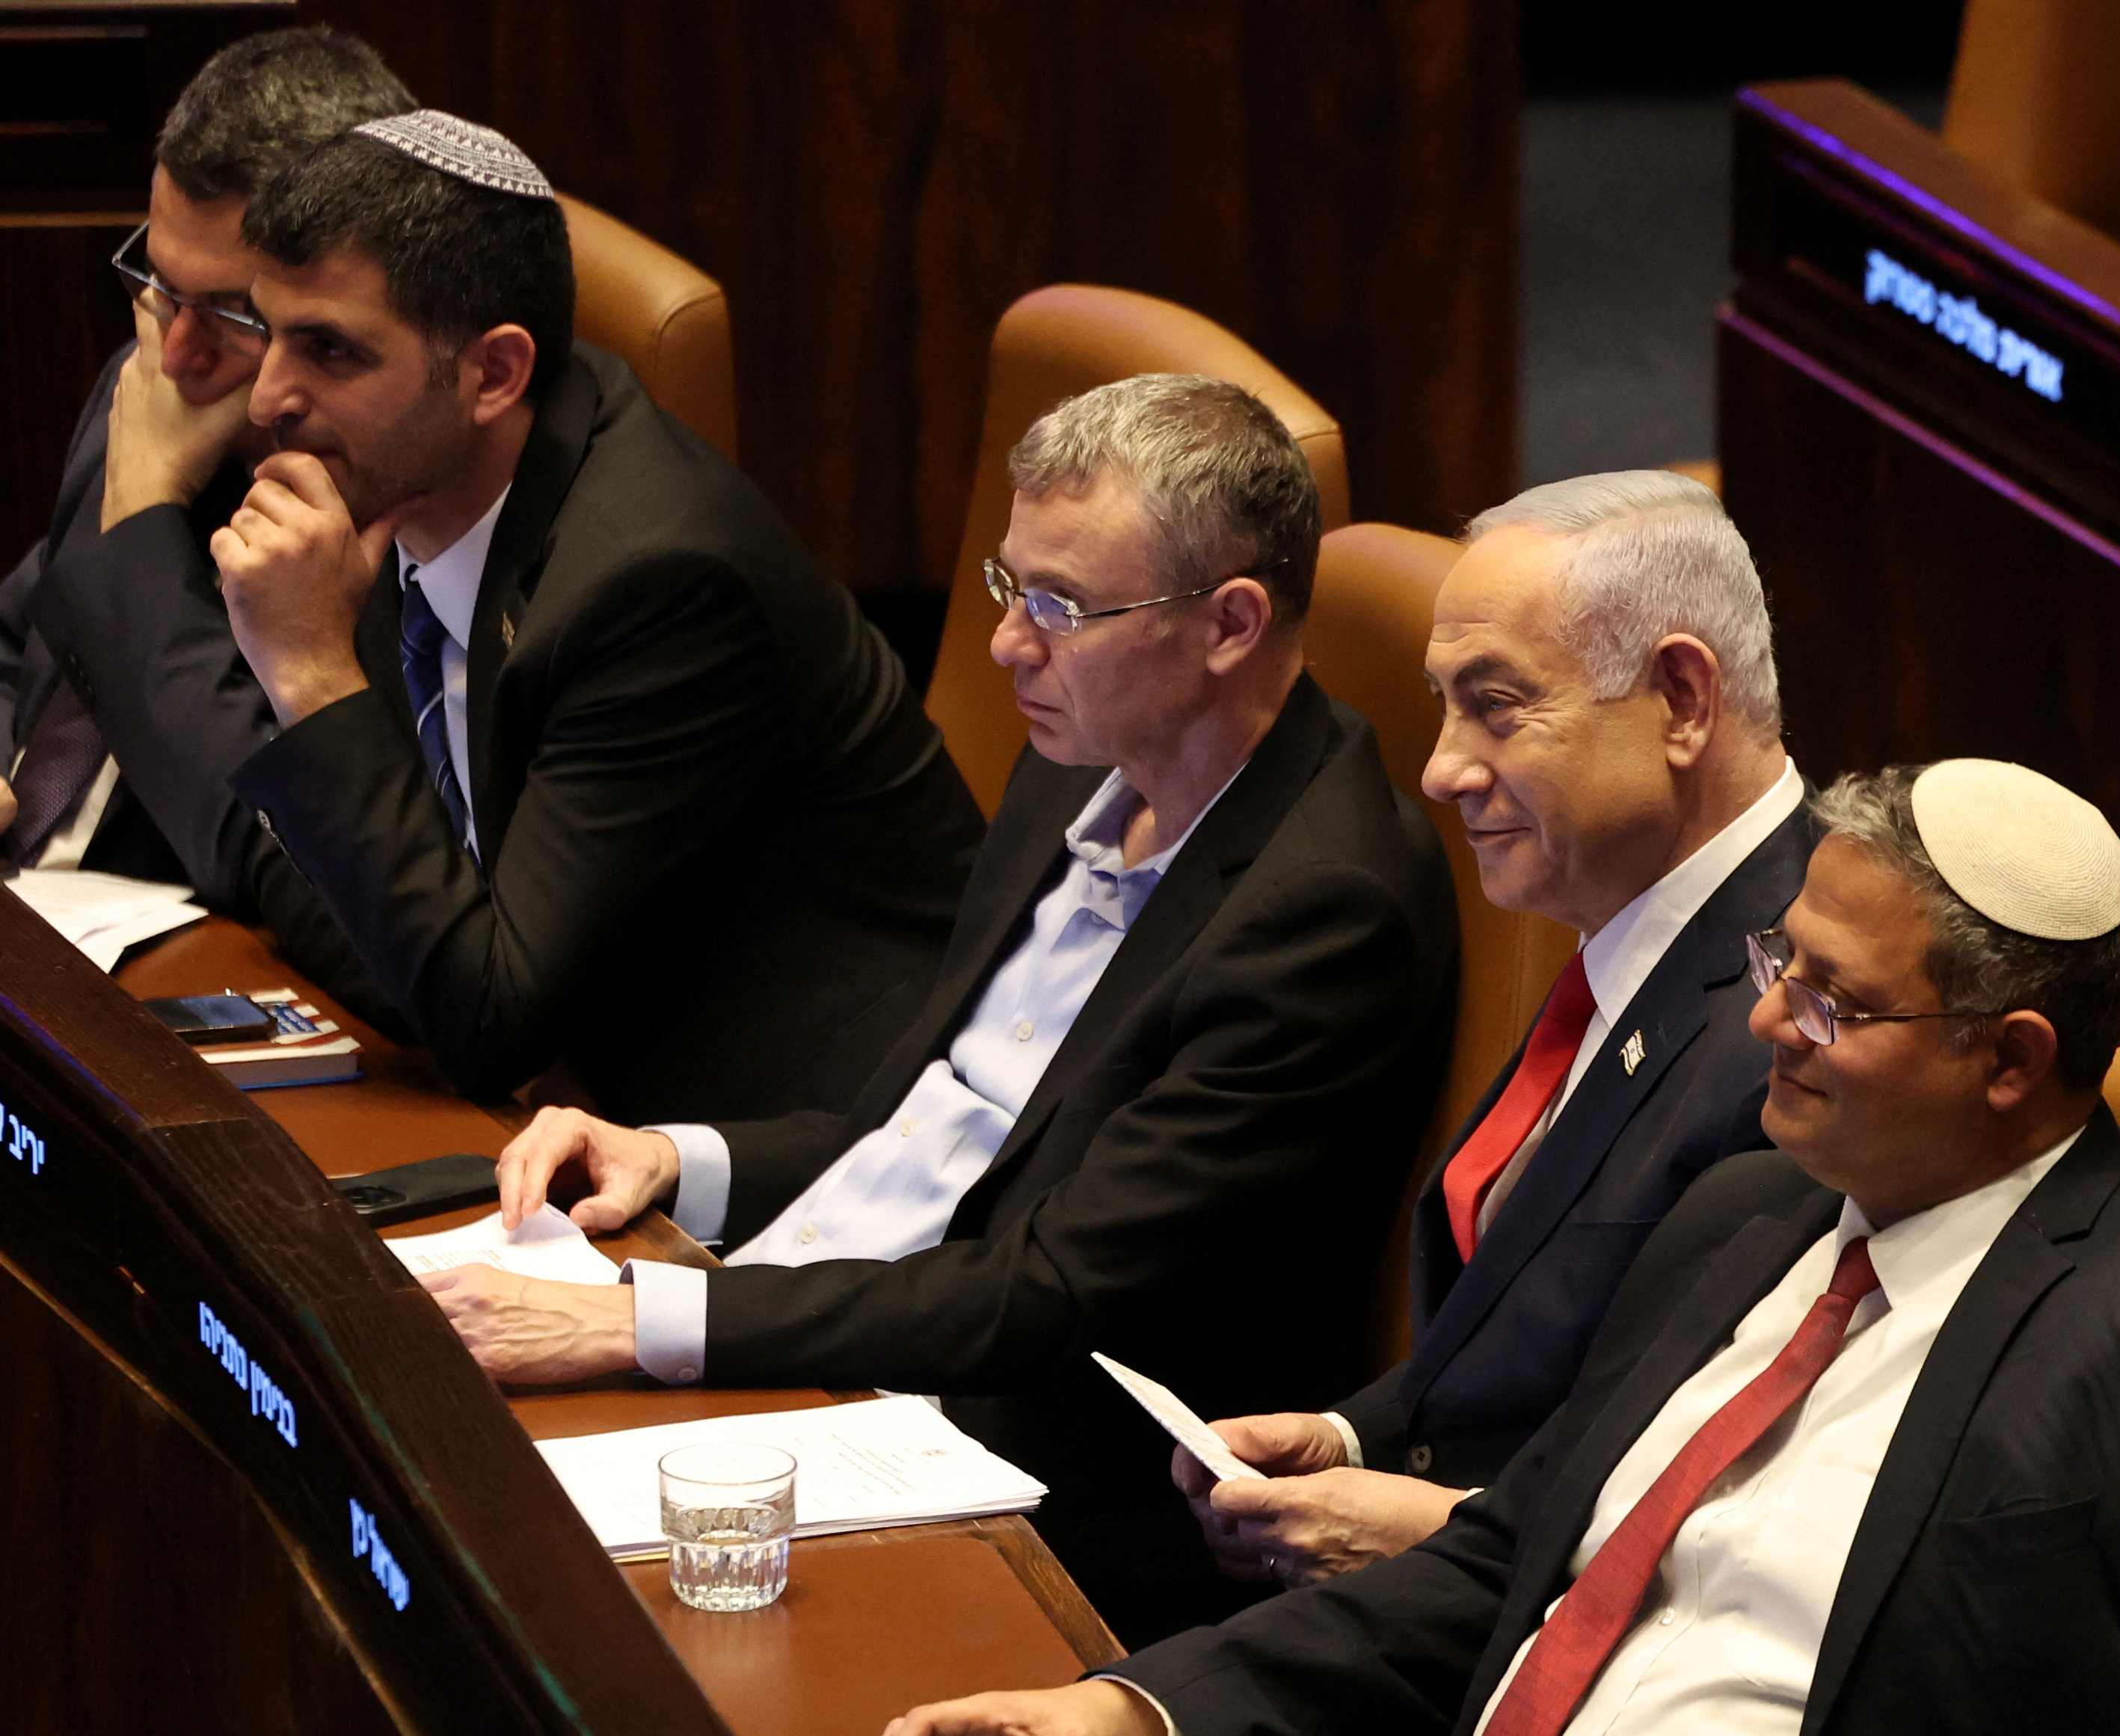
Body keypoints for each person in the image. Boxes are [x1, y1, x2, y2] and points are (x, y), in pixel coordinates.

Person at [888, 759, 2120, 1736]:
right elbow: (1508, 1568)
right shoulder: (1748, 1210)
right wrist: (1136, 1707)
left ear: (2009, 1061)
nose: (1766, 1020)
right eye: (1780, 959)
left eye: (1833, 1001)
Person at [417, 374, 1460, 1643]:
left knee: (507, 1592)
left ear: (1230, 623)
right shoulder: (1075, 762)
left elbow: (1052, 1291)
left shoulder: (1324, 910)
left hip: (1019, 1479)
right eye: (1008, 584)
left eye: (1060, 606)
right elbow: (938, 1129)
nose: (1007, 645)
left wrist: (641, 1322)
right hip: (829, 1342)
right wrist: (680, 1160)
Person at [204, 110, 982, 1121]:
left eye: (331, 351)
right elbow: (377, 918)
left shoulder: (658, 582)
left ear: (494, 374)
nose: (266, 399)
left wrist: (312, 674)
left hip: (820, 1142)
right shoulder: (400, 477)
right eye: (266, 330)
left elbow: (488, 1021)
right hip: (576, 1090)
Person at [1176, 471, 1818, 1591]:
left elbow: (1729, 1502)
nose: (1440, 770)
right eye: (1442, 703)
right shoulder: (1634, 921)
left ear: (1679, 700)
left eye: (1497, 705)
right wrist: (1351, 1437)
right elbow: (1523, 1332)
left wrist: (1442, 1527)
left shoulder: (1799, 1027)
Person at [0, 28, 415, 1005]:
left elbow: (299, 863)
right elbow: (19, 631)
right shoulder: (160, 369)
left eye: (232, 311)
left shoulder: (390, 501)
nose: (177, 351)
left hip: (183, 976)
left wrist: (143, 520)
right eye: (159, 280)